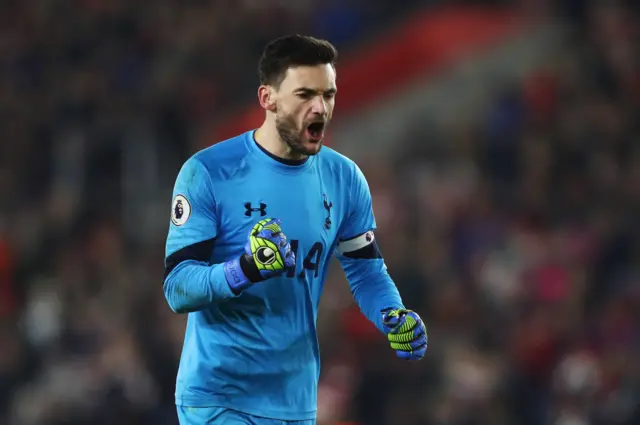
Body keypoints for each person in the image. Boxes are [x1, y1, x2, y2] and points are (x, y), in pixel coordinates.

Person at [163, 34, 427, 425]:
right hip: (219, 397)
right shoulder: (209, 172)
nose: (320, 108)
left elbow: (366, 270)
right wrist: (246, 270)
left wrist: (393, 314)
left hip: (295, 400)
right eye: (305, 94)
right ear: (268, 99)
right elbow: (178, 287)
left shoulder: (344, 179)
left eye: (328, 95)